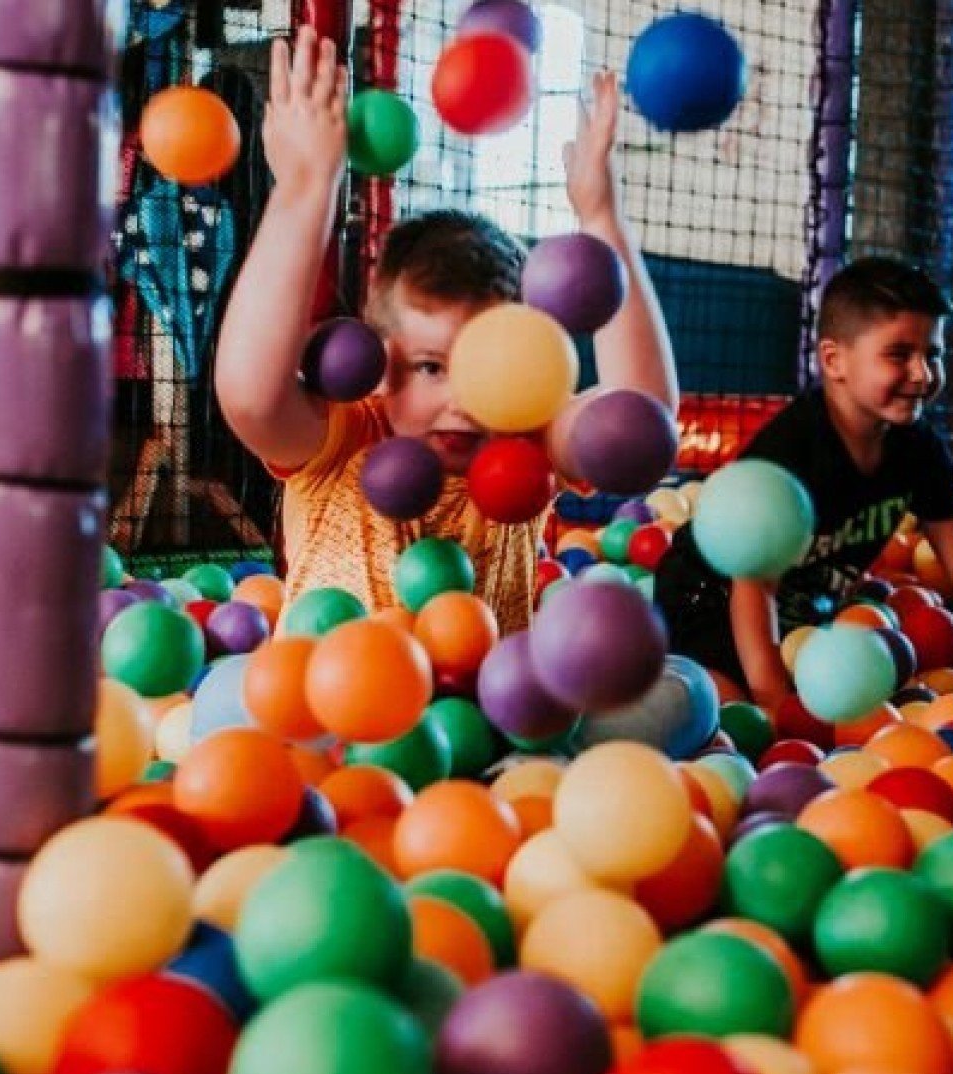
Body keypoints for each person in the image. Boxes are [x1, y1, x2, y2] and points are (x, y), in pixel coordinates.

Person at [215, 33, 677, 632]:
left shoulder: (526, 440)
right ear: (381, 368)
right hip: (326, 717)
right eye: (433, 367)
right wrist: (307, 188)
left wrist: (601, 218)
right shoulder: (343, 443)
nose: (463, 400)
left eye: (492, 371)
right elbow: (251, 396)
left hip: (489, 718)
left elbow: (639, 427)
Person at [653, 256, 953, 706]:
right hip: (710, 599)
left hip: (801, 610)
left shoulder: (918, 449)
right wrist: (773, 706)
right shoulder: (792, 450)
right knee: (725, 705)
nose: (923, 374)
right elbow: (754, 586)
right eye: (899, 354)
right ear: (833, 360)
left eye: (933, 354)